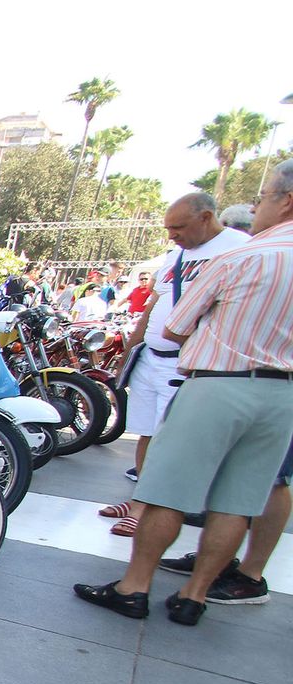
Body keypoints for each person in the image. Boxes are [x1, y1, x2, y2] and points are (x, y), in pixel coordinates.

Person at [74, 161, 293, 624]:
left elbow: (174, 326)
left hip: (218, 383)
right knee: (237, 501)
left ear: (286, 200)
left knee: (165, 493)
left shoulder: (240, 257)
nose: (258, 206)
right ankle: (194, 596)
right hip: (281, 395)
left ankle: (134, 587)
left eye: (265, 196)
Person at [98, 193, 249, 531]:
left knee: (171, 440)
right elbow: (153, 306)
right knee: (148, 433)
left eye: (178, 227)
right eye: (169, 228)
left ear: (206, 218)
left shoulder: (239, 248)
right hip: (151, 359)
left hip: (189, 365)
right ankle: (140, 499)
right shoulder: (176, 257)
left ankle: (150, 511)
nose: (172, 235)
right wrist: (129, 352)